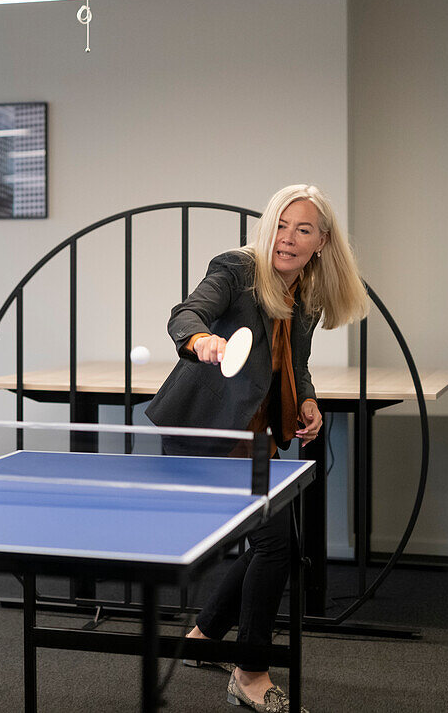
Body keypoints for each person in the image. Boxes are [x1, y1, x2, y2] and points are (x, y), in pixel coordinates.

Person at [145, 184, 368, 713]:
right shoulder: (236, 270)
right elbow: (187, 312)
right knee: (274, 545)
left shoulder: (305, 293)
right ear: (268, 228)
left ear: (322, 242)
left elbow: (297, 363)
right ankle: (249, 672)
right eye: (281, 226)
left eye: (303, 230)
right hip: (206, 431)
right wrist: (201, 341)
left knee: (273, 544)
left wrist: (308, 400)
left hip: (254, 433)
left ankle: (205, 635)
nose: (288, 239)